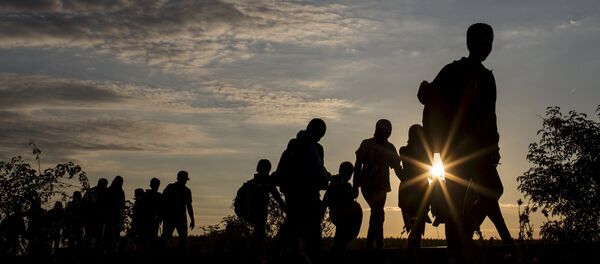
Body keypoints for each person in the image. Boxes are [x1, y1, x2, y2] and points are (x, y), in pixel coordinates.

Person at [418, 22, 499, 263]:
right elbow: (427, 97)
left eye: (489, 42)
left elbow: (491, 114)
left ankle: (465, 228)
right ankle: (455, 250)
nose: (485, 46)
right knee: (454, 200)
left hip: (480, 148)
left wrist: (494, 144)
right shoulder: (453, 70)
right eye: (481, 41)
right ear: (469, 43)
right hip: (455, 147)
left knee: (493, 190)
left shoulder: (487, 78)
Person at [273, 118, 329, 262]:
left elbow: (320, 169)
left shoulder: (302, 146)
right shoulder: (303, 146)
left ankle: (282, 253)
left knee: (297, 225)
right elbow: (318, 170)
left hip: (298, 193)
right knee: (304, 227)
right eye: (320, 134)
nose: (320, 137)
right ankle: (283, 253)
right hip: (302, 194)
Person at [353, 119, 403, 249]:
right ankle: (377, 244)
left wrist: (407, 179)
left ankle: (373, 243)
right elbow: (357, 166)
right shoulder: (366, 144)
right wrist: (355, 185)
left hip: (381, 186)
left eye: (387, 134)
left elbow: (397, 168)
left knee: (377, 213)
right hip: (367, 185)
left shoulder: (390, 147)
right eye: (383, 133)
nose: (385, 136)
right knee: (378, 212)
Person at [398, 124, 431, 262]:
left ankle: (412, 256)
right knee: (417, 226)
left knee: (414, 226)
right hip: (420, 190)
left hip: (408, 190)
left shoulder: (404, 150)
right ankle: (411, 256)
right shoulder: (424, 153)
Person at [246, 159, 286, 263]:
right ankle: (261, 254)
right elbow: (277, 197)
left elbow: (277, 197)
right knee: (259, 232)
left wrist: (285, 208)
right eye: (264, 168)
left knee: (259, 232)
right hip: (257, 212)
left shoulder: (261, 183)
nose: (265, 171)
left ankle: (259, 253)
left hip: (261, 212)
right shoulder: (255, 184)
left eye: (266, 169)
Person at [322, 161, 362, 251]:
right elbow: (354, 194)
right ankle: (339, 246)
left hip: (339, 214)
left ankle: (339, 245)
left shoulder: (335, 183)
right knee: (342, 230)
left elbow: (325, 201)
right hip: (342, 214)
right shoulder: (342, 185)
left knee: (341, 232)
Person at [161, 170, 195, 253]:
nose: (185, 181)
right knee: (167, 238)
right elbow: (163, 201)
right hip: (175, 217)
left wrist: (192, 219)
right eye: (184, 179)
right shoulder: (184, 190)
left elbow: (189, 206)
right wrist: (192, 219)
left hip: (175, 217)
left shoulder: (172, 187)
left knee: (180, 239)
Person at [82, 178, 109, 253]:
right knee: (90, 237)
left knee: (99, 238)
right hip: (91, 218)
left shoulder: (106, 193)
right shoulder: (91, 192)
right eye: (104, 184)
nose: (105, 186)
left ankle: (95, 252)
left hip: (100, 219)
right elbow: (84, 204)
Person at [104, 175, 125, 255]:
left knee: (111, 234)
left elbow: (122, 205)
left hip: (114, 216)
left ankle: (111, 249)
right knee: (110, 233)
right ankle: (110, 249)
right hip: (112, 216)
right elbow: (122, 204)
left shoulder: (110, 190)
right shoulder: (118, 191)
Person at [143, 177, 163, 252]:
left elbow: (161, 209)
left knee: (151, 238)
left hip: (153, 220)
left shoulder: (146, 195)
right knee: (148, 238)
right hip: (148, 220)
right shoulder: (148, 195)